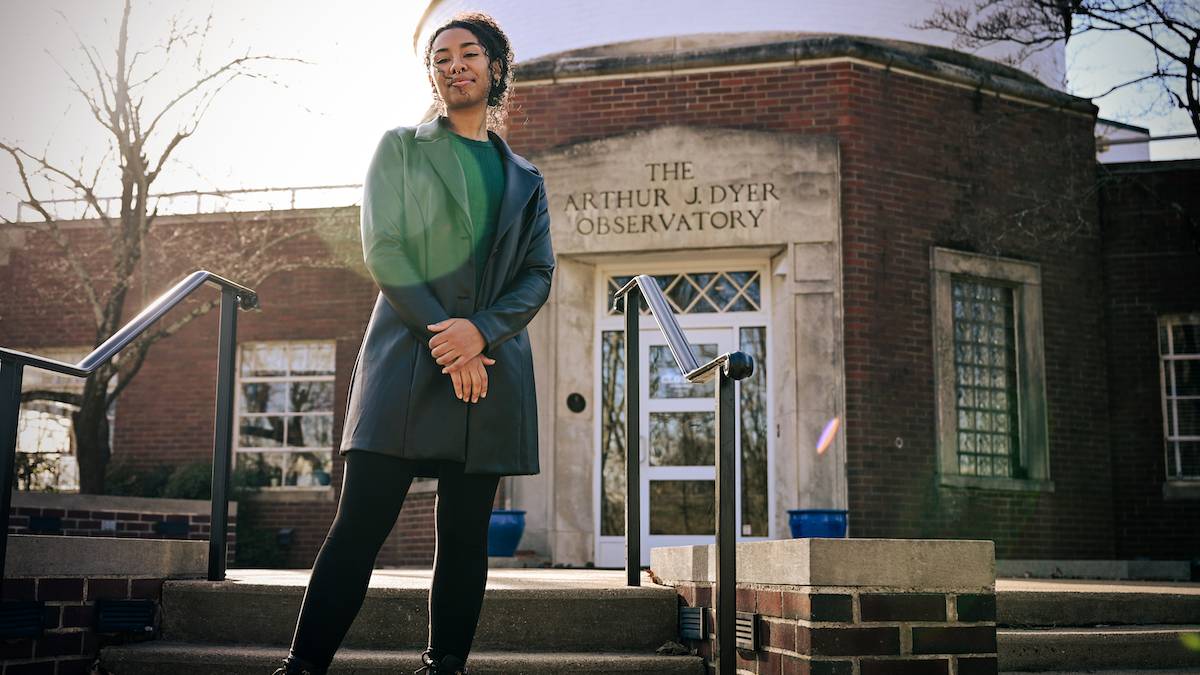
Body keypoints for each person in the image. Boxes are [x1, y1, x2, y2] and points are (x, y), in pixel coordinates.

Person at [273, 11, 554, 675]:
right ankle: (303, 664)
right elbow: (385, 248)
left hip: (490, 369)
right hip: (405, 361)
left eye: (468, 54)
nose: (454, 64)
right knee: (359, 527)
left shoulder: (528, 179)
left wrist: (478, 333)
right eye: (441, 57)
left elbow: (537, 273)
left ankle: (446, 664)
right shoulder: (399, 148)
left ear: (495, 68)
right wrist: (450, 338)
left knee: (463, 539)